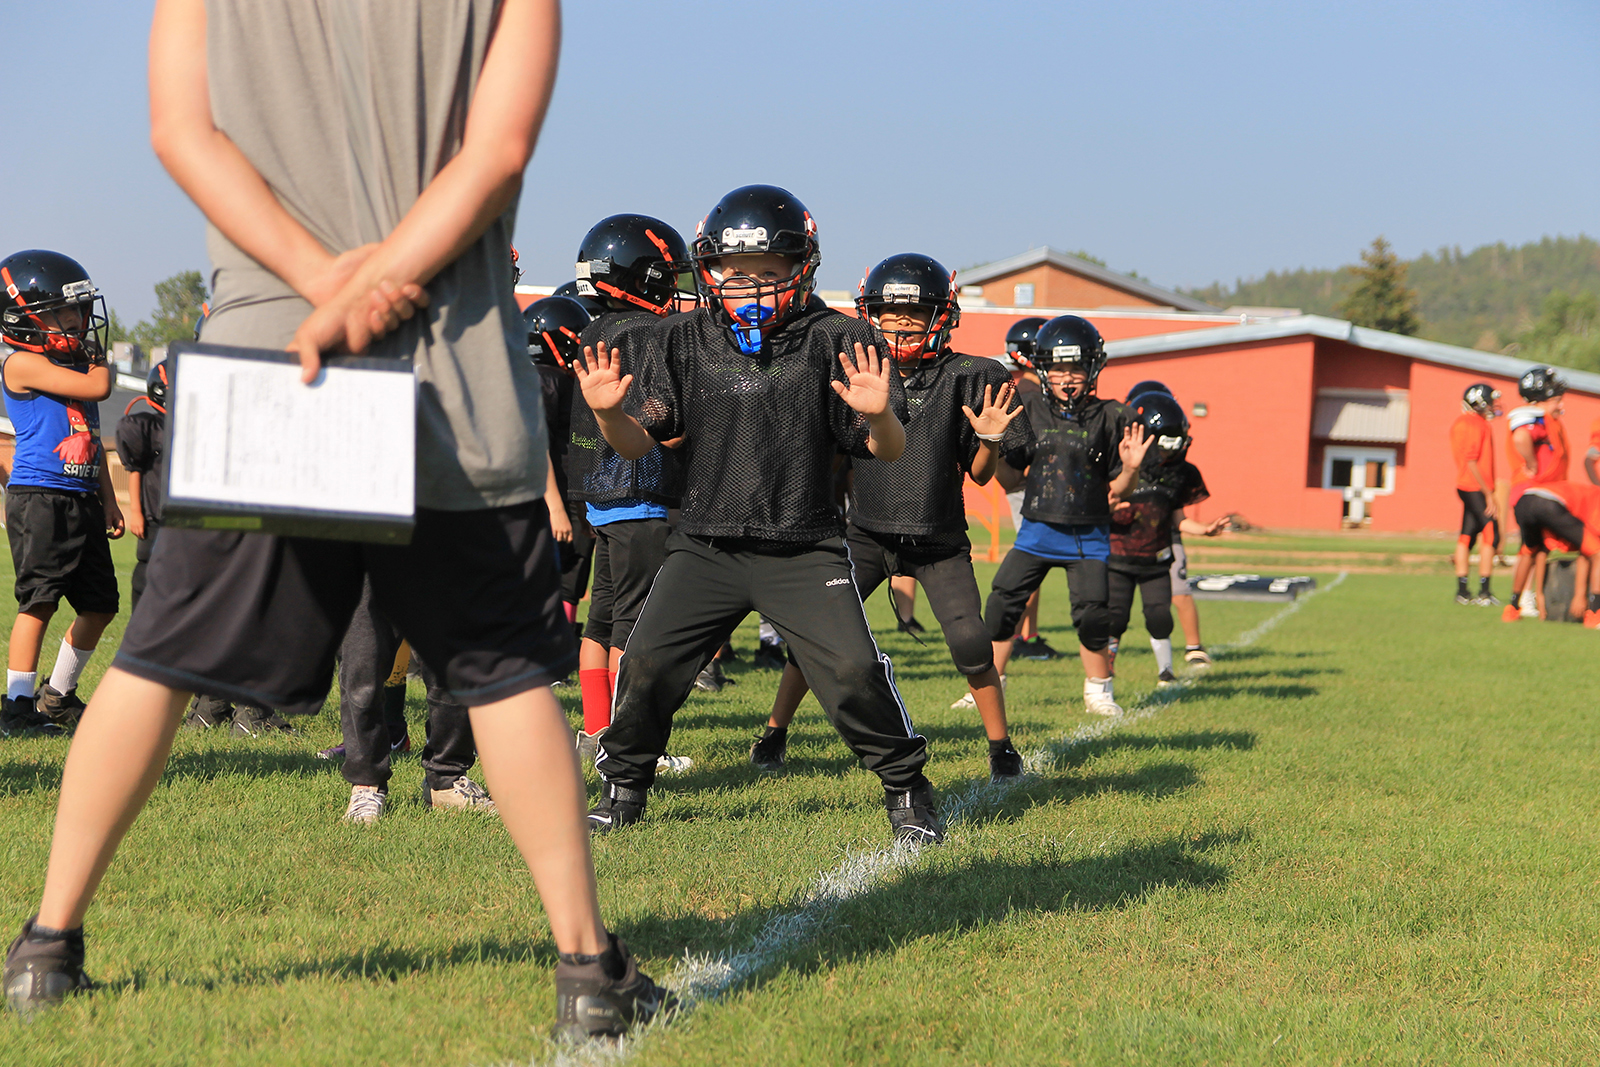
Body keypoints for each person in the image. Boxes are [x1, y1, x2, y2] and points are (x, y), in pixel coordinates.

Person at [5, 0, 671, 1040]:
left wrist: (323, 285)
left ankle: (44, 946)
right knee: (499, 670)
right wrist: (385, 283)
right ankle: (589, 969)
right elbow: (497, 150)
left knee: (156, 660)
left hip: (274, 347)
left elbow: (181, 133)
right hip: (450, 353)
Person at [574, 184, 943, 845]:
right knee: (648, 660)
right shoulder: (683, 338)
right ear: (711, 270)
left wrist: (881, 411)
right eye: (736, 274)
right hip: (705, 544)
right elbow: (640, 439)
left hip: (802, 544)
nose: (750, 288)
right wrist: (608, 413)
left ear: (800, 270)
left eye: (768, 274)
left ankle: (908, 787)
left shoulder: (839, 337)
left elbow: (888, 449)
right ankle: (624, 783)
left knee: (853, 672)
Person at [754, 253, 1031, 781]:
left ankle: (1002, 750)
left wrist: (991, 440)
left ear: (942, 317)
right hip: (864, 534)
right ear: (868, 315)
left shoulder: (970, 376)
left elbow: (977, 475)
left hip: (938, 538)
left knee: (972, 645)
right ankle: (773, 733)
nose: (900, 326)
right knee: (812, 635)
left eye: (913, 315)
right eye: (889, 314)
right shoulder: (850, 372)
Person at [564, 216, 695, 754]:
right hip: (641, 501)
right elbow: (663, 418)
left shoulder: (595, 329)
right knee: (634, 632)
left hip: (605, 505)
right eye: (666, 276)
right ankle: (625, 742)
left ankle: (596, 728)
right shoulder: (656, 333)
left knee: (601, 623)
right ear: (640, 277)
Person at [983, 315, 1151, 716]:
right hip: (1037, 528)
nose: (1067, 377)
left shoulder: (1113, 416)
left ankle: (1099, 690)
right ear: (1043, 368)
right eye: (1058, 368)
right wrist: (989, 444)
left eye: (1075, 367)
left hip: (1087, 533)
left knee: (1094, 614)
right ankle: (989, 686)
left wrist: (1130, 469)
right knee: (1002, 606)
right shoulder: (1029, 408)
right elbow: (1009, 478)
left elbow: (1120, 490)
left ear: (1092, 367)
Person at [0, 249, 124, 735]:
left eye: (77, 311)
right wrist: (97, 366)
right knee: (40, 602)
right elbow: (98, 388)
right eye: (61, 313)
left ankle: (58, 696)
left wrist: (109, 500)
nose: (76, 321)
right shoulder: (20, 365)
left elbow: (91, 444)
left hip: (81, 498)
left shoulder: (73, 371)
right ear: (24, 316)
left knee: (101, 606)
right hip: (40, 497)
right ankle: (15, 706)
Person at [1107, 392, 1224, 686]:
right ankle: (1104, 671)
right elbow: (1096, 504)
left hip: (1156, 558)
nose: (1173, 449)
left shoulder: (1176, 473)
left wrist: (1205, 529)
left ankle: (1166, 671)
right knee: (1114, 618)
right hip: (1117, 556)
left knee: (1159, 615)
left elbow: (1179, 520)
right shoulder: (1116, 465)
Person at [524, 294, 594, 647]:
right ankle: (549, 647)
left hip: (561, 493)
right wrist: (557, 507)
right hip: (552, 496)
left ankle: (557, 646)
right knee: (557, 574)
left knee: (567, 575)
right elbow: (537, 444)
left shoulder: (540, 378)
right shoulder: (546, 380)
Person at [999, 316, 1055, 662]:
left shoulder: (1031, 392)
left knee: (1035, 564)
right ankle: (1018, 636)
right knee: (1030, 565)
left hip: (1026, 487)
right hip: (1028, 489)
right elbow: (1021, 458)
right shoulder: (1031, 397)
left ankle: (1027, 635)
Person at [1503, 367, 1567, 621]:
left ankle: (1534, 599)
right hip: (1533, 490)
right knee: (1529, 548)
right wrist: (1530, 462)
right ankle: (1524, 598)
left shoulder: (1544, 416)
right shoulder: (1531, 416)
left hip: (1544, 490)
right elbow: (1521, 436)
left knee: (1537, 548)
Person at [1506, 480, 1600, 625]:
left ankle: (1512, 609)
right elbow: (1587, 553)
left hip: (1524, 501)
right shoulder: (1597, 501)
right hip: (1549, 503)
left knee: (1529, 551)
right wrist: (1580, 596)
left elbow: (1542, 553)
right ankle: (1595, 613)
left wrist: (1540, 596)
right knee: (1597, 552)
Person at [115, 362, 168, 614]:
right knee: (146, 574)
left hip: (185, 517)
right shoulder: (148, 426)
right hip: (155, 515)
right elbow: (135, 470)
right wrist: (136, 511)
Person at [1449, 382, 1501, 605]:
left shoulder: (1466, 422)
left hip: (1467, 485)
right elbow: (1471, 462)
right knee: (1491, 533)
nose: (1492, 406)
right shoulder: (1474, 424)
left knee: (1467, 534)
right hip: (1474, 486)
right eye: (1489, 401)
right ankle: (1484, 592)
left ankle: (1462, 592)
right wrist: (1488, 493)